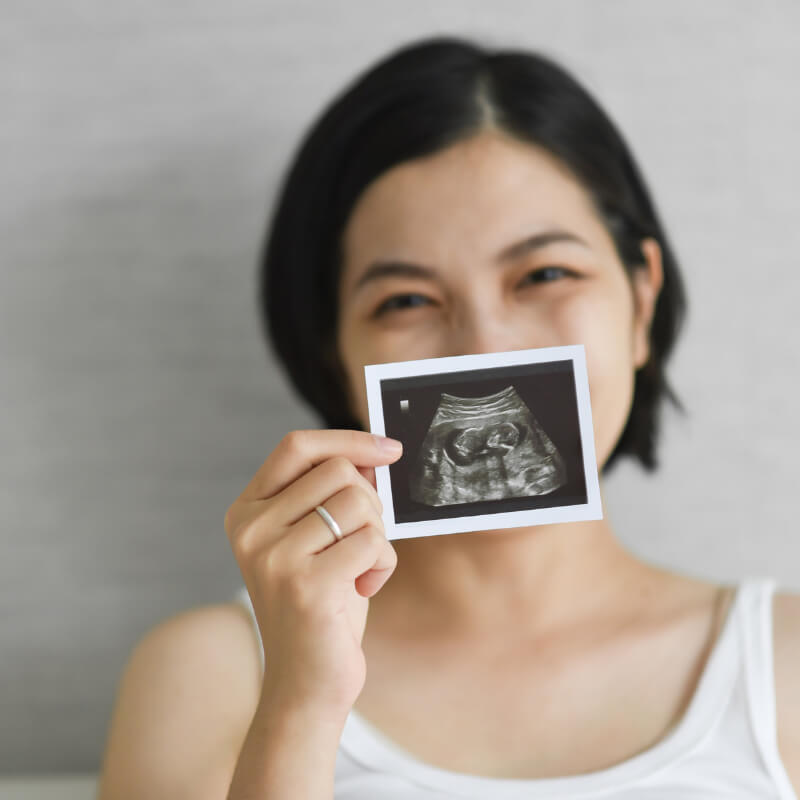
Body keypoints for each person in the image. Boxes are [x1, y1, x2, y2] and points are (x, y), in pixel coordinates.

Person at [97, 36, 800, 799]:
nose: (485, 351)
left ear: (639, 301)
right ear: (335, 356)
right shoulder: (212, 675)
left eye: (544, 274)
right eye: (406, 301)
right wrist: (302, 702)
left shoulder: (784, 666)